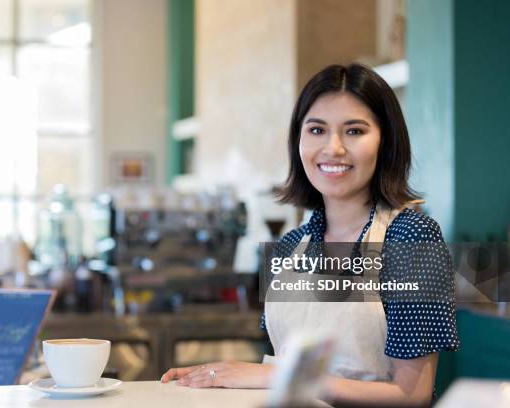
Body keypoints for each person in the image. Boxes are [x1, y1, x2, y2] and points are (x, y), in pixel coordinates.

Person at [161, 64, 459, 407]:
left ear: (385, 142)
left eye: (355, 131)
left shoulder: (411, 237)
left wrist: (277, 375)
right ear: (298, 140)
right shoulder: (290, 246)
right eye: (316, 130)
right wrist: (226, 378)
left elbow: (414, 394)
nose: (333, 148)